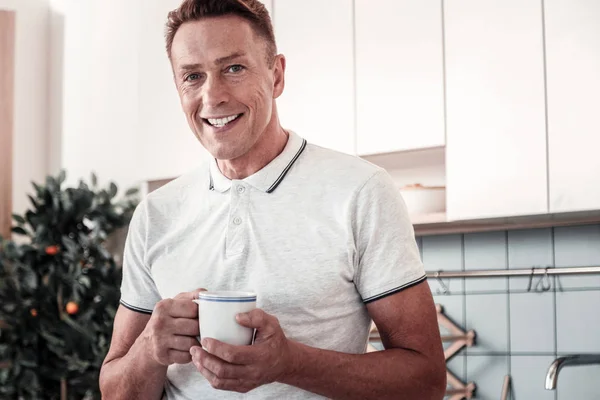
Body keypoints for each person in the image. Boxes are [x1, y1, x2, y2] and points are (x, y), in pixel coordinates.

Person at [99, 0, 447, 398]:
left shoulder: (361, 191)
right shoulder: (155, 214)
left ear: (276, 75)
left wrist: (290, 363)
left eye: (233, 68)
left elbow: (426, 380)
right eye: (193, 76)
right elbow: (114, 391)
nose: (213, 97)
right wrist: (148, 351)